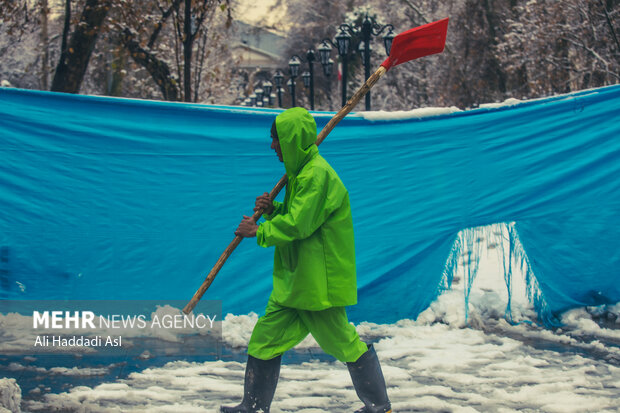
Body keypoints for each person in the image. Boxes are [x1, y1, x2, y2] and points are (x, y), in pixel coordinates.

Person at [221, 107, 391, 413]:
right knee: (264, 339)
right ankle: (253, 406)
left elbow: (300, 224)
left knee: (344, 343)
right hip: (296, 281)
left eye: (276, 140)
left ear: (291, 140)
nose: (272, 146)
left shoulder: (316, 175)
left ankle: (380, 407)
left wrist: (258, 230)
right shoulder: (301, 174)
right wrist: (273, 210)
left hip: (316, 284)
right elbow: (298, 216)